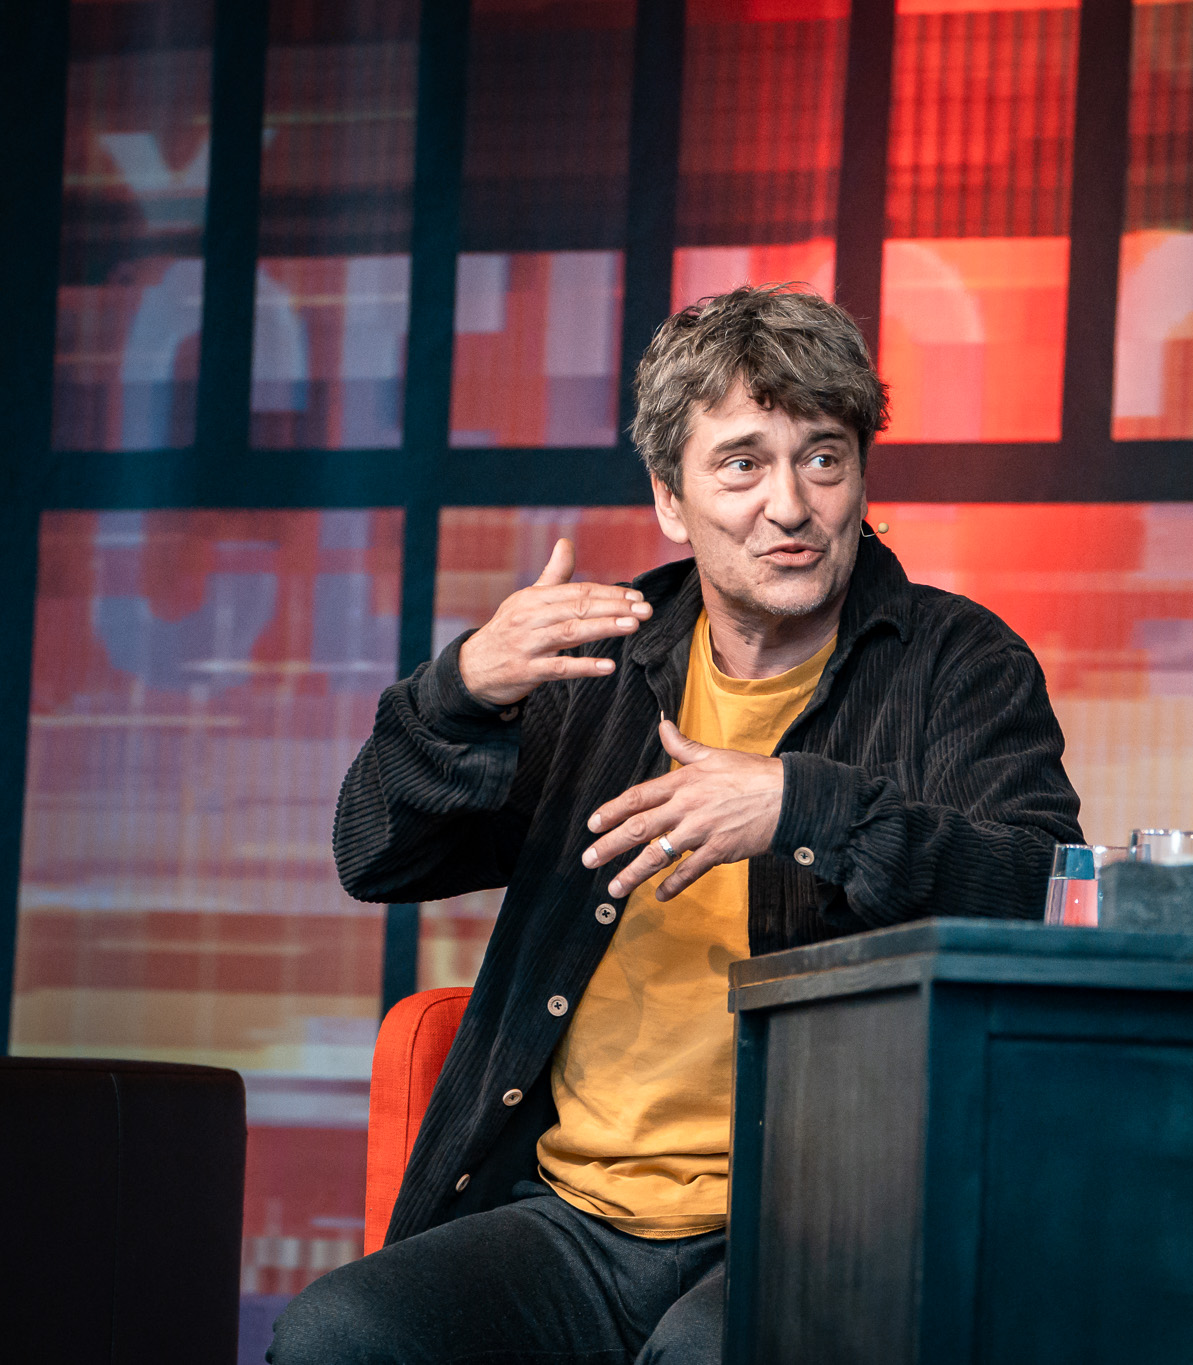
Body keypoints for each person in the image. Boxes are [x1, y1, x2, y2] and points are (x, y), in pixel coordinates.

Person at [271, 285, 1084, 1364]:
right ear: (669, 498)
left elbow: (1045, 894)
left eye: (823, 458)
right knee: (335, 1337)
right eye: (741, 464)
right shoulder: (600, 663)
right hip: (571, 1218)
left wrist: (805, 808)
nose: (790, 506)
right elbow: (374, 854)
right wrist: (458, 694)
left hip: (819, 1219)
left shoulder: (958, 663)